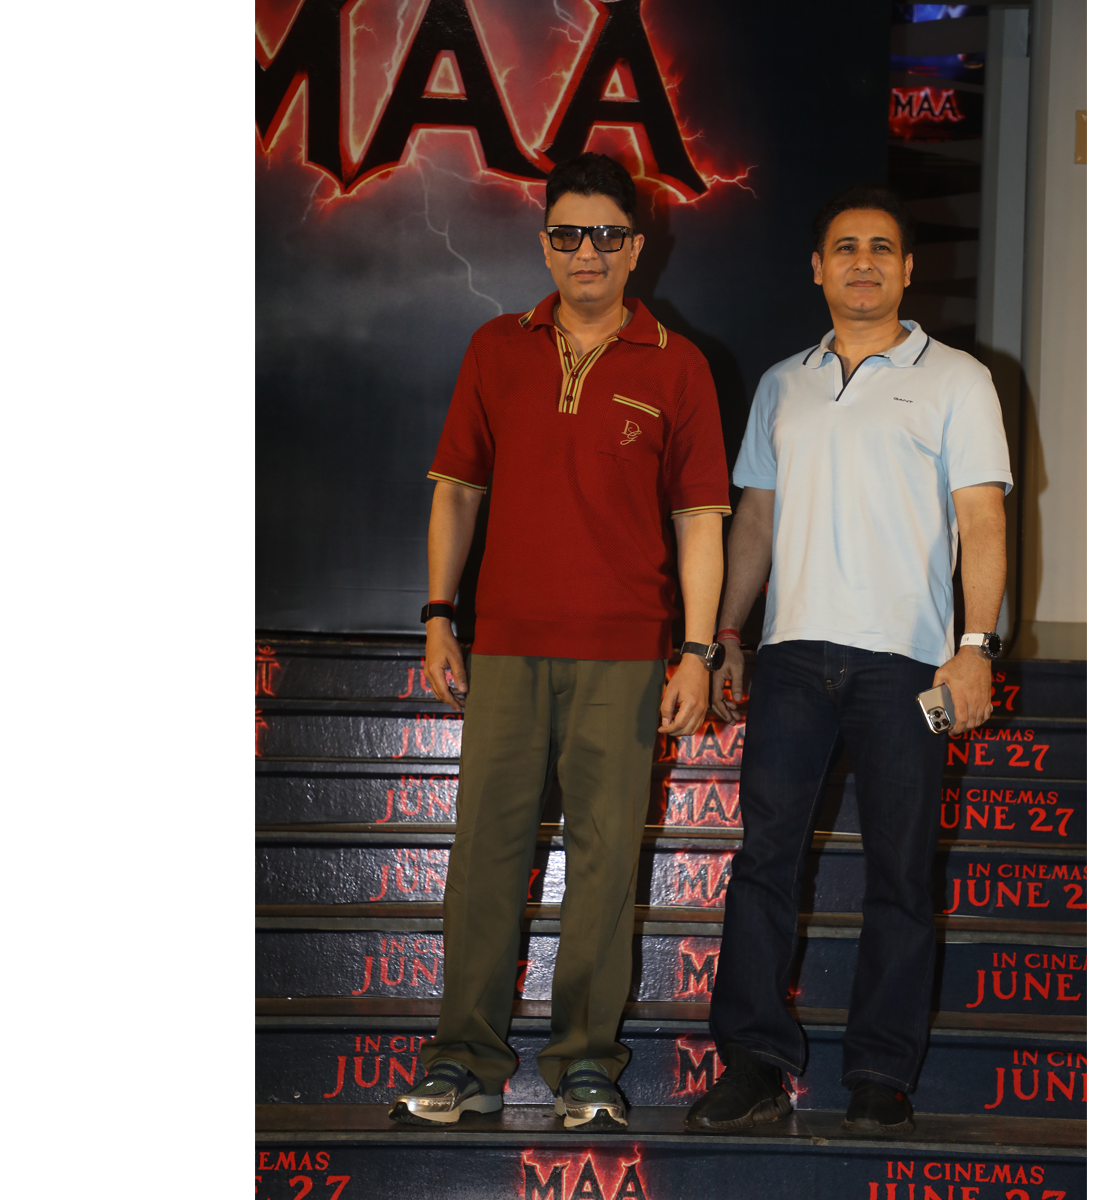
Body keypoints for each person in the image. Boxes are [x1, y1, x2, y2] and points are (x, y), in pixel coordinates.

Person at [388, 153, 731, 1131]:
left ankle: (585, 1064)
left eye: (608, 235)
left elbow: (700, 521)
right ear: (546, 244)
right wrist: (439, 614)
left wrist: (697, 652)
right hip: (504, 649)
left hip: (624, 655)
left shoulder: (678, 364)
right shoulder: (496, 348)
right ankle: (463, 1061)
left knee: (606, 862)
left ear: (637, 247)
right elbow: (457, 492)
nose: (589, 251)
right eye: (570, 234)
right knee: (483, 858)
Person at [684, 184, 1012, 1135]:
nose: (862, 261)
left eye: (880, 247)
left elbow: (983, 520)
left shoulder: (958, 380)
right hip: (791, 657)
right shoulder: (782, 383)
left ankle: (880, 1074)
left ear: (907, 269)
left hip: (908, 665)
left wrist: (976, 647)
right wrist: (728, 634)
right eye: (844, 247)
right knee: (764, 864)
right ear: (817, 269)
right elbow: (755, 519)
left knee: (902, 875)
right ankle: (753, 1060)